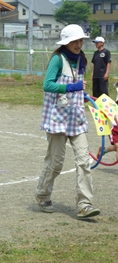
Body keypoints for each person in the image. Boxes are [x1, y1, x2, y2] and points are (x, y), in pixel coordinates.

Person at [35, 24, 100, 219]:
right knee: (55, 162)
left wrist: (84, 94)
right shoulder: (57, 59)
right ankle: (43, 194)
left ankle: (84, 204)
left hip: (76, 118)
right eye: (75, 41)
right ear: (66, 42)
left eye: (81, 41)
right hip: (58, 118)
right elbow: (47, 85)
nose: (79, 44)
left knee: (83, 162)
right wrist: (72, 88)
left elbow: (76, 85)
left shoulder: (81, 59)